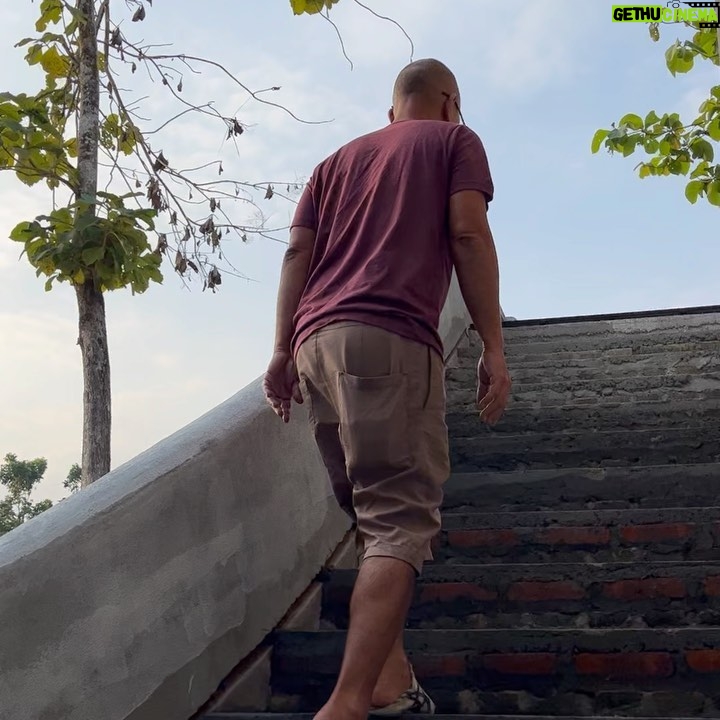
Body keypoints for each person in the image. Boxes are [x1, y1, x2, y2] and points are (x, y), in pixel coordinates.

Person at [263, 58, 511, 720]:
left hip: (316, 347)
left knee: (375, 525)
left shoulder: (333, 163)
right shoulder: (455, 141)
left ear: (393, 108)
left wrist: (282, 350)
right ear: (449, 100)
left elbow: (296, 256)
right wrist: (493, 344)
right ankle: (345, 705)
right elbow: (466, 231)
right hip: (389, 338)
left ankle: (388, 681)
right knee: (401, 520)